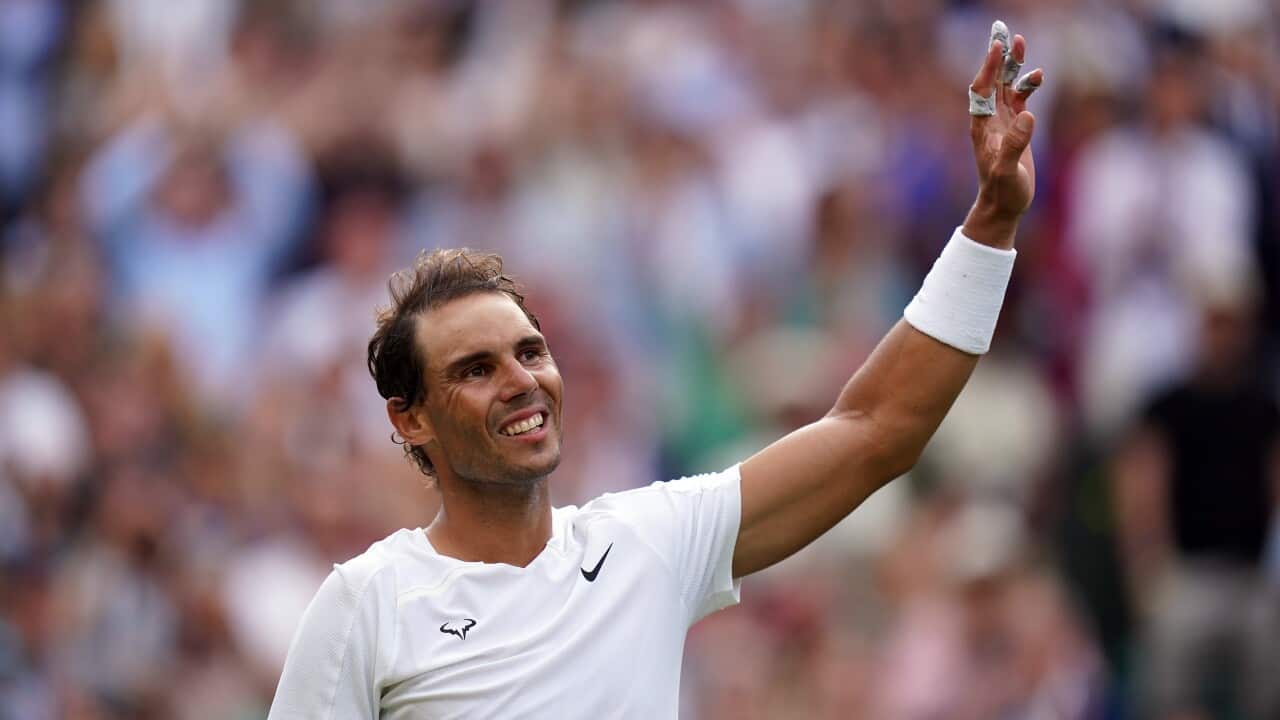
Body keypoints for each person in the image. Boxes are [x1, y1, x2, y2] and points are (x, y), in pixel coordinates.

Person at [268, 22, 1044, 718]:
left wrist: (992, 224)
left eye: (531, 351)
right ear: (410, 417)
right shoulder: (364, 604)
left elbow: (876, 429)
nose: (521, 380)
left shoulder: (647, 543)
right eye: (475, 368)